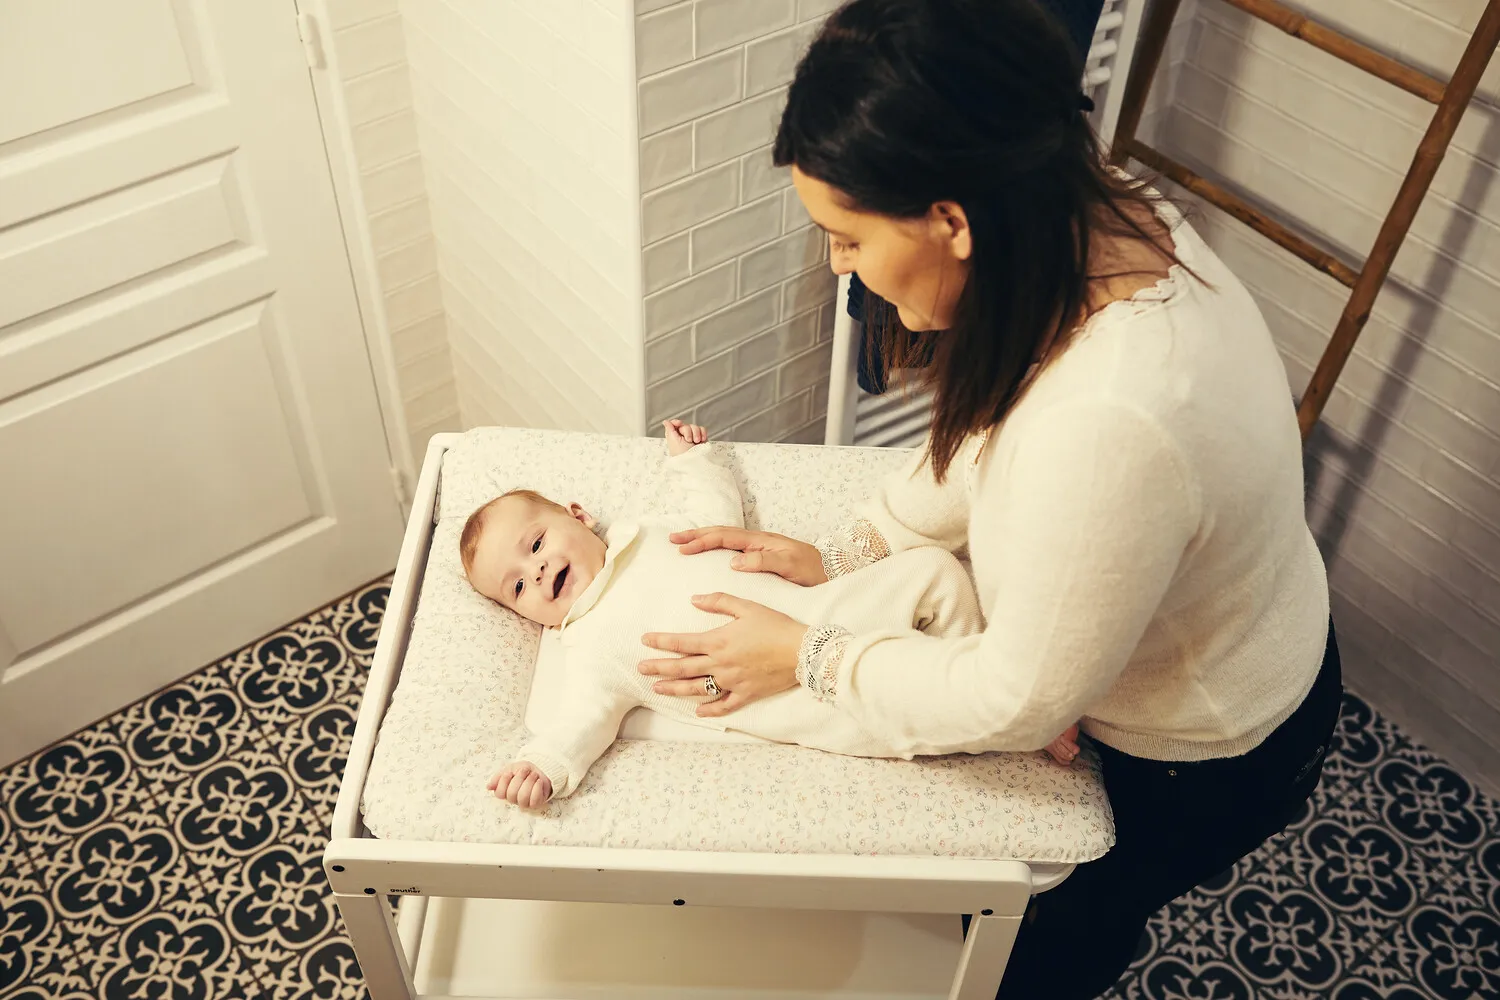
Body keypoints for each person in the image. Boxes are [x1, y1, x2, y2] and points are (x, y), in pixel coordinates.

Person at [635, 2, 1342, 997]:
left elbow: (1016, 700)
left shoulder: (1113, 419)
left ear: (951, 221)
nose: (840, 267)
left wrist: (806, 652)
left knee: (1045, 951)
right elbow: (990, 431)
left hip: (1204, 749)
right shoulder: (1098, 220)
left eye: (845, 238)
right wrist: (855, 547)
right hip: (1219, 625)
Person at [460, 418, 1023, 808]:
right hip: (809, 699)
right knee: (910, 713)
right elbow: (580, 722)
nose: (534, 574)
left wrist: (695, 462)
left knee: (936, 571)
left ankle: (993, 678)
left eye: (535, 546)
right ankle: (1006, 725)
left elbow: (717, 519)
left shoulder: (650, 534)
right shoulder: (589, 648)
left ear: (579, 516)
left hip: (827, 605)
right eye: (515, 587)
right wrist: (543, 766)